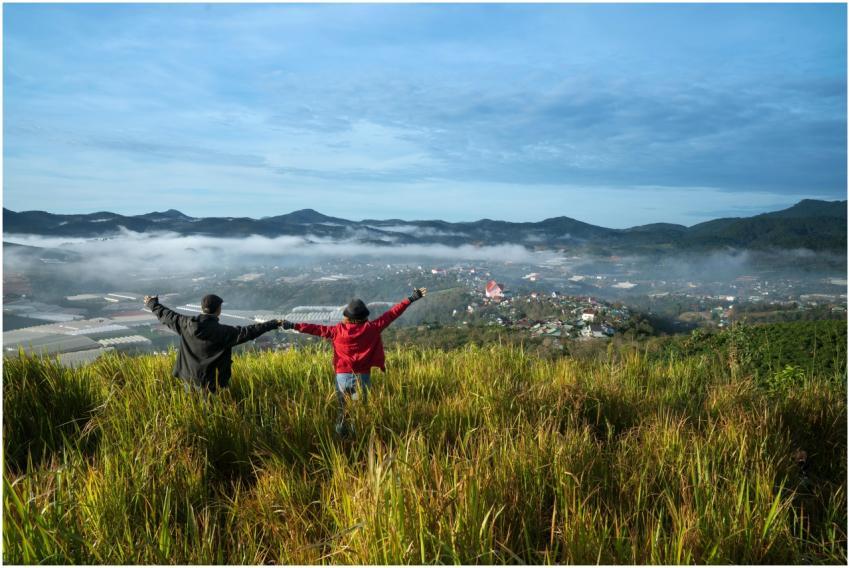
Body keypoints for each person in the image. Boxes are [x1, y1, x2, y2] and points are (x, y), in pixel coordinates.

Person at [282, 287, 427, 436]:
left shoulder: (337, 331)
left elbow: (314, 329)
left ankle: (340, 439)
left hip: (342, 379)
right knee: (357, 408)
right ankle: (356, 439)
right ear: (364, 316)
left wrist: (293, 325)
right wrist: (411, 298)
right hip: (361, 379)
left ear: (347, 316)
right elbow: (392, 314)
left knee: (342, 409)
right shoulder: (372, 328)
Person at [144, 293, 282, 393]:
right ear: (218, 310)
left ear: (202, 308)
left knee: (193, 412)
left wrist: (152, 303)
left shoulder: (185, 323)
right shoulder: (223, 332)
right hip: (211, 383)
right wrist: (273, 323)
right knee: (210, 414)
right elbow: (250, 331)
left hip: (188, 377)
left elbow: (166, 314)